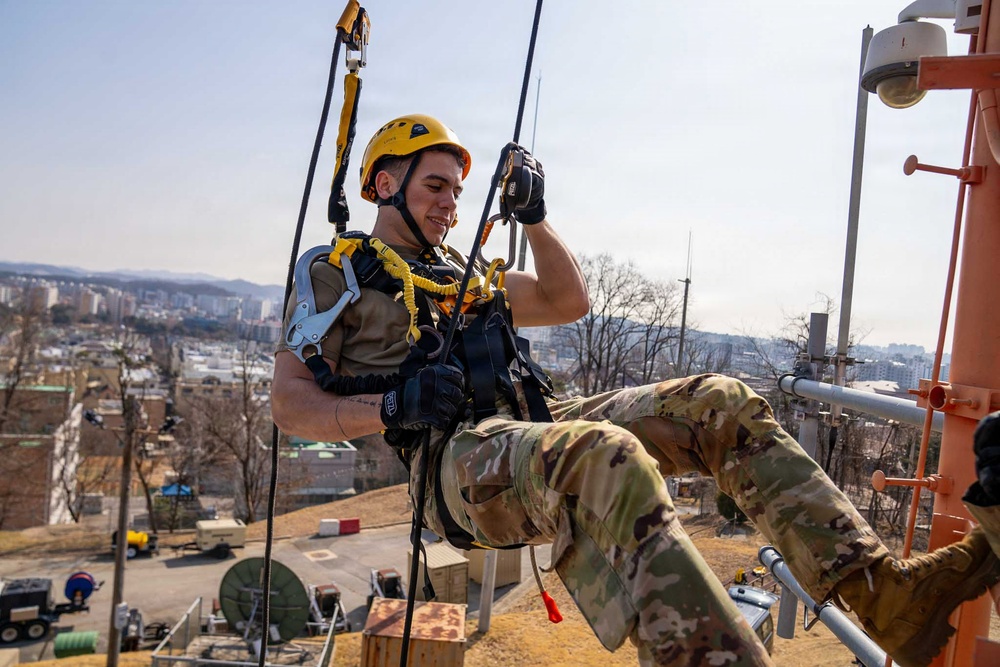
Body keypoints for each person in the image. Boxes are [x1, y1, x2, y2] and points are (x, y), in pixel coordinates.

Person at [271, 114, 1000, 667]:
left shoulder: (466, 276)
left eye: (458, 193)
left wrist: (534, 217)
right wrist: (390, 406)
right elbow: (290, 402)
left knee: (719, 403)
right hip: (453, 462)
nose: (450, 205)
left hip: (533, 422)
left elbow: (567, 300)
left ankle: (887, 598)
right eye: (436, 186)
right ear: (385, 183)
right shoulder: (339, 273)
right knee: (603, 453)